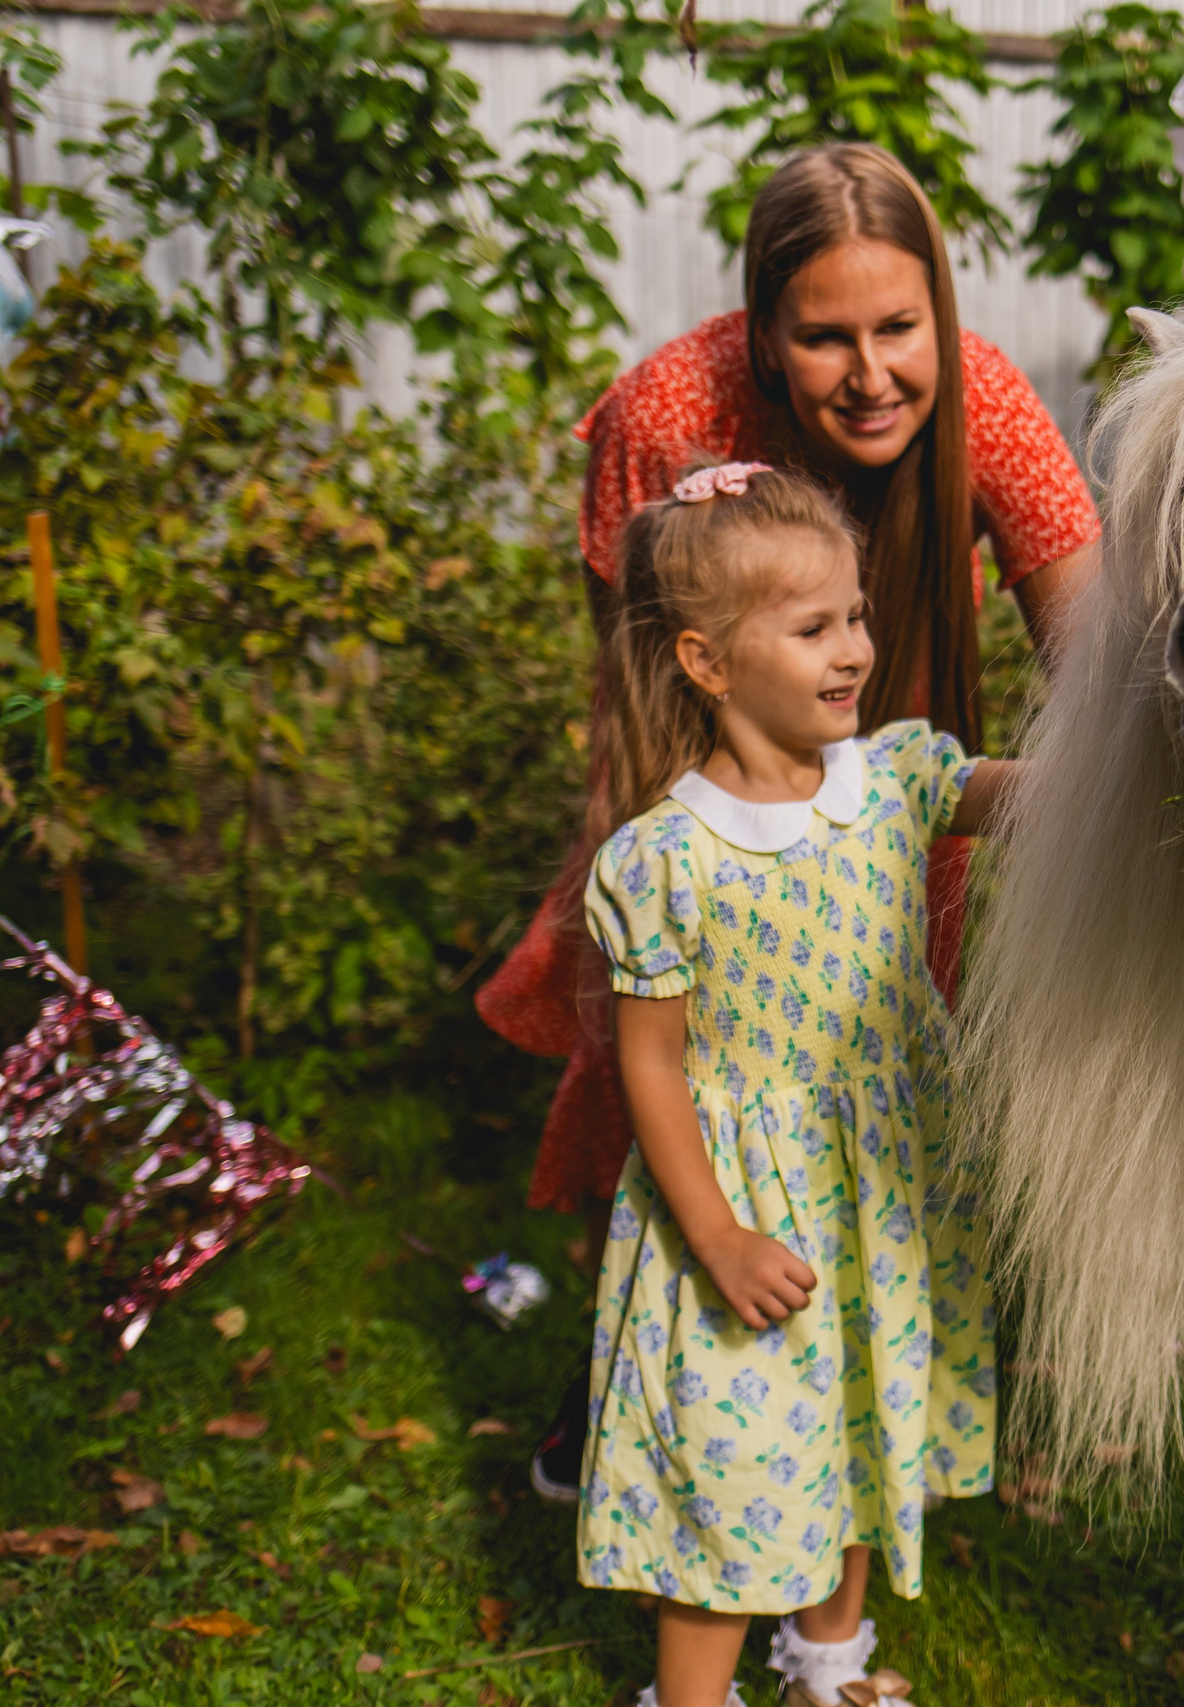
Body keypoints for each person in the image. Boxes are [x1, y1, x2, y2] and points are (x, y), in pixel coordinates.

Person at [477, 141, 1099, 1494]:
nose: (872, 372)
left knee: (860, 1134)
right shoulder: (665, 416)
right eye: (826, 336)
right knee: (678, 1108)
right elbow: (644, 697)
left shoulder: (987, 403)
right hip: (704, 820)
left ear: (941, 310)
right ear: (764, 335)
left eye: (899, 326)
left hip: (891, 834)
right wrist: (690, 901)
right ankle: (641, 1394)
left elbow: (1098, 661)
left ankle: (846, 1420)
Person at [575, 460, 1010, 1707]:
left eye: (856, 616)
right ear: (708, 663)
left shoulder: (895, 783)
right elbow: (647, 1062)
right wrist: (714, 1235)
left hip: (879, 1190)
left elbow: (1026, 800)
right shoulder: (665, 856)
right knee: (732, 1459)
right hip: (745, 1202)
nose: (854, 649)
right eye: (814, 627)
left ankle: (828, 1665)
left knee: (864, 1424)